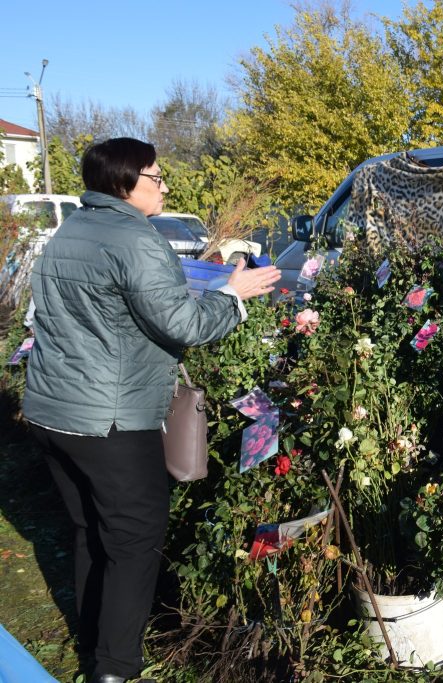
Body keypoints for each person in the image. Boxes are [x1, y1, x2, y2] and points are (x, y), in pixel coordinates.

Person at [22, 138, 281, 683]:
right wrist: (233, 295)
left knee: (91, 529)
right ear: (124, 184)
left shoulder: (73, 230)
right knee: (135, 538)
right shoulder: (135, 238)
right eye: (156, 177)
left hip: (52, 410)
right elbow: (185, 326)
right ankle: (114, 668)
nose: (165, 186)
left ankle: (94, 637)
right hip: (109, 418)